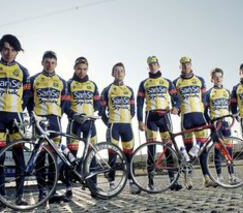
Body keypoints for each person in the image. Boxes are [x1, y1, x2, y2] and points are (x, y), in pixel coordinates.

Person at [0, 34, 30, 207]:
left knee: (19, 157)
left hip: (16, 117)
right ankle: (1, 197)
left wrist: (22, 106)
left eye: (13, 50)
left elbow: (27, 93)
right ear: (0, 50)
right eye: (6, 49)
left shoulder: (23, 71)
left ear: (17, 51)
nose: (9, 53)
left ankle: (19, 196)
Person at [27, 50, 70, 202]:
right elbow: (28, 101)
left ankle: (51, 191)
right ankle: (41, 191)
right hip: (39, 122)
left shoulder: (62, 82)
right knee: (39, 157)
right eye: (47, 62)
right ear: (42, 62)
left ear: (56, 64)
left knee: (54, 158)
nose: (50, 65)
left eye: (52, 63)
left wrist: (58, 115)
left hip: (55, 122)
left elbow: (65, 104)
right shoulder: (33, 79)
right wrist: (34, 116)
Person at [137, 56, 182, 191]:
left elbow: (176, 98)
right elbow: (139, 103)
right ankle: (150, 183)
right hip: (150, 117)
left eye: (155, 64)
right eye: (150, 64)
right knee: (151, 149)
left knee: (168, 148)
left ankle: (172, 181)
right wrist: (140, 120)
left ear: (159, 65)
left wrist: (176, 107)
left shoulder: (167, 82)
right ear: (148, 67)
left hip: (165, 117)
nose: (153, 66)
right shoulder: (144, 83)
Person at [100, 62, 140, 194]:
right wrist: (109, 122)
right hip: (113, 127)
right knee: (112, 156)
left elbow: (133, 110)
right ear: (112, 73)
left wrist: (127, 118)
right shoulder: (107, 90)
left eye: (121, 71)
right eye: (116, 71)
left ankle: (132, 182)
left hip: (127, 126)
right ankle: (112, 183)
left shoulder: (129, 90)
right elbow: (101, 110)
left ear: (124, 73)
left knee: (129, 156)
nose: (119, 73)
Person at [64, 56, 101, 198]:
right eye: (79, 68)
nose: (81, 71)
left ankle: (94, 187)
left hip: (89, 124)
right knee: (70, 157)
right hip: (75, 123)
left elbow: (98, 104)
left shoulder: (92, 85)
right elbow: (65, 106)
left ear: (87, 69)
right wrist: (74, 115)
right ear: (74, 68)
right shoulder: (69, 84)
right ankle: (68, 188)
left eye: (84, 69)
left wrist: (94, 113)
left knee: (92, 156)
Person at [174, 56, 211, 187]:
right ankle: (188, 179)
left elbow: (205, 100)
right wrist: (177, 110)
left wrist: (206, 114)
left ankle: (206, 177)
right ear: (180, 67)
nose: (185, 67)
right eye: (183, 65)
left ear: (191, 65)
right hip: (186, 119)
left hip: (199, 117)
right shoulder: (175, 82)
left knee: (203, 148)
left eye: (188, 64)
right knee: (188, 153)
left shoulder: (200, 80)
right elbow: (174, 100)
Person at [205, 68, 238, 184]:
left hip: (225, 124)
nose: (218, 79)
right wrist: (210, 123)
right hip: (215, 124)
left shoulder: (227, 92)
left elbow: (230, 108)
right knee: (218, 151)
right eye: (215, 77)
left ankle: (232, 175)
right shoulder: (208, 93)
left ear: (222, 78)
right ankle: (219, 177)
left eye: (220, 77)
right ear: (212, 79)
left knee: (228, 151)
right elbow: (205, 111)